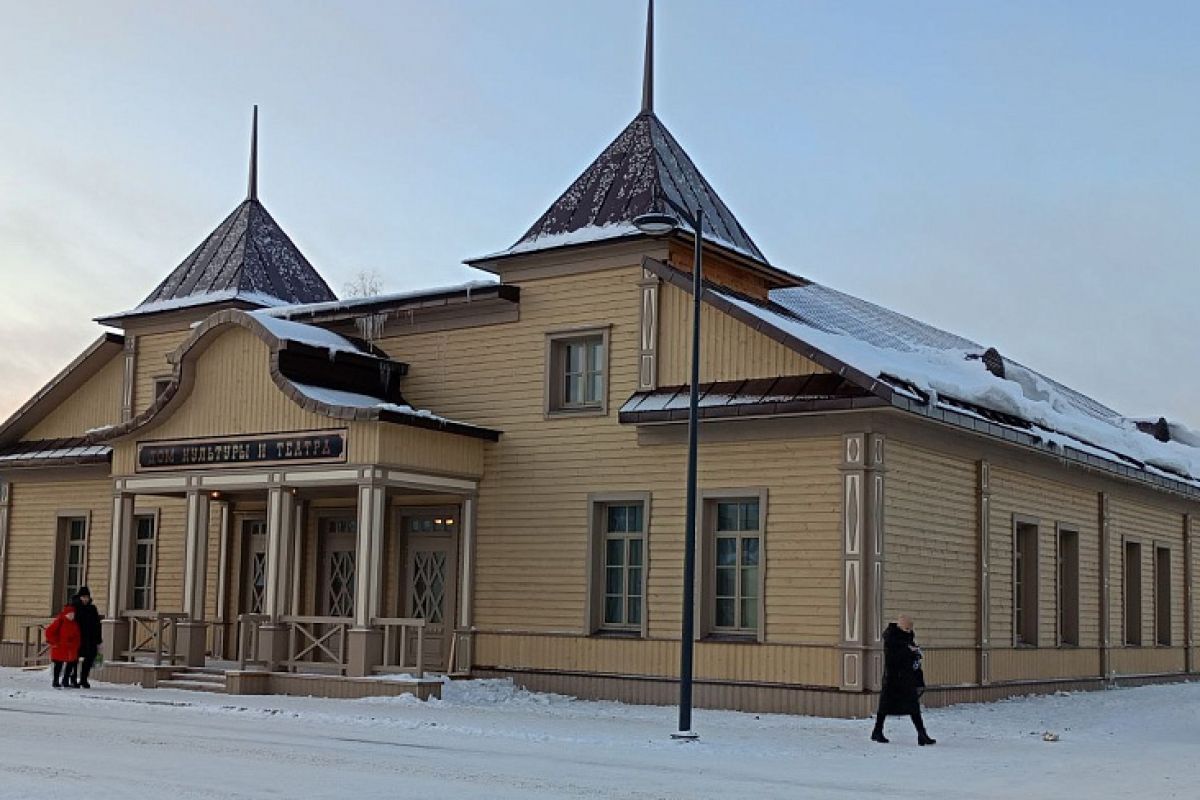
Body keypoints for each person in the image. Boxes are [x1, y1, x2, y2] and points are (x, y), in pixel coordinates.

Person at [871, 614, 936, 745]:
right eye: (906, 629)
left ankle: (921, 734)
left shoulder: (907, 637)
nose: (909, 632)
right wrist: (909, 651)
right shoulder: (891, 638)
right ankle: (877, 731)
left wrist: (915, 652)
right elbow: (893, 658)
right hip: (893, 678)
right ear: (900, 627)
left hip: (907, 677)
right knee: (885, 706)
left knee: (913, 706)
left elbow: (908, 653)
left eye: (910, 629)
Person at [44, 604, 81, 689]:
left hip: (70, 648)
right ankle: (56, 681)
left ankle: (65, 680)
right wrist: (55, 642)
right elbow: (49, 632)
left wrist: (76, 645)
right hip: (60, 647)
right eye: (70, 614)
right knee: (59, 664)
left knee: (70, 664)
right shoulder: (60, 621)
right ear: (66, 614)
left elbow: (77, 636)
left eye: (73, 614)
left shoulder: (74, 624)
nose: (72, 616)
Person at [71, 587, 102, 689]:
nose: (85, 599)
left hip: (90, 638)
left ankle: (84, 679)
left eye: (87, 597)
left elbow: (97, 624)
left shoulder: (92, 609)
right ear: (79, 597)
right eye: (83, 597)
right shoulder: (74, 608)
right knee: (74, 659)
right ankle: (73, 678)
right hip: (77, 637)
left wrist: (98, 638)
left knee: (89, 658)